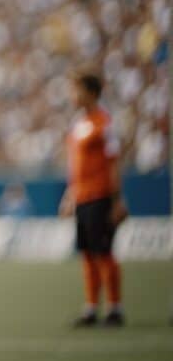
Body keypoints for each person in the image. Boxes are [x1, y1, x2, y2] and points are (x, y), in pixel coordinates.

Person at [59, 69, 127, 327]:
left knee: (104, 252)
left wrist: (118, 200)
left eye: (76, 90)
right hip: (82, 197)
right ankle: (90, 307)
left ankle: (114, 307)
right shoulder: (77, 124)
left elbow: (113, 163)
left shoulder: (104, 122)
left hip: (100, 195)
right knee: (87, 253)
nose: (72, 95)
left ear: (89, 92)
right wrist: (69, 195)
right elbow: (74, 165)